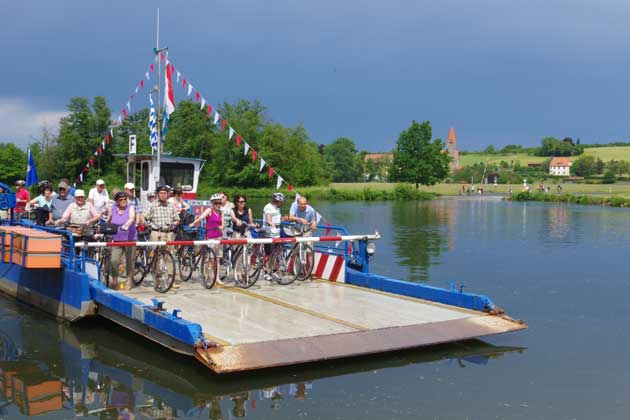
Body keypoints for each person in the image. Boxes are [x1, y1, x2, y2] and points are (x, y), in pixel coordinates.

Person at [190, 193, 223, 283]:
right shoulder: (209, 210)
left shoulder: (221, 212)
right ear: (212, 203)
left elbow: (222, 224)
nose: (218, 205)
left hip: (219, 237)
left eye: (220, 203)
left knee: (218, 258)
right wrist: (193, 223)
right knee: (211, 259)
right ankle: (208, 276)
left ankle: (217, 278)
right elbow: (201, 217)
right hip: (210, 237)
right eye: (216, 203)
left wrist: (221, 227)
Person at [106, 191, 137, 290]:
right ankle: (115, 280)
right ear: (117, 201)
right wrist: (102, 228)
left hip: (130, 238)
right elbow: (108, 219)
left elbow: (132, 217)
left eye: (125, 199)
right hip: (117, 239)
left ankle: (129, 280)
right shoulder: (113, 208)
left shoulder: (130, 207)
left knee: (130, 261)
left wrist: (126, 225)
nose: (124, 201)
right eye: (121, 199)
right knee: (114, 260)